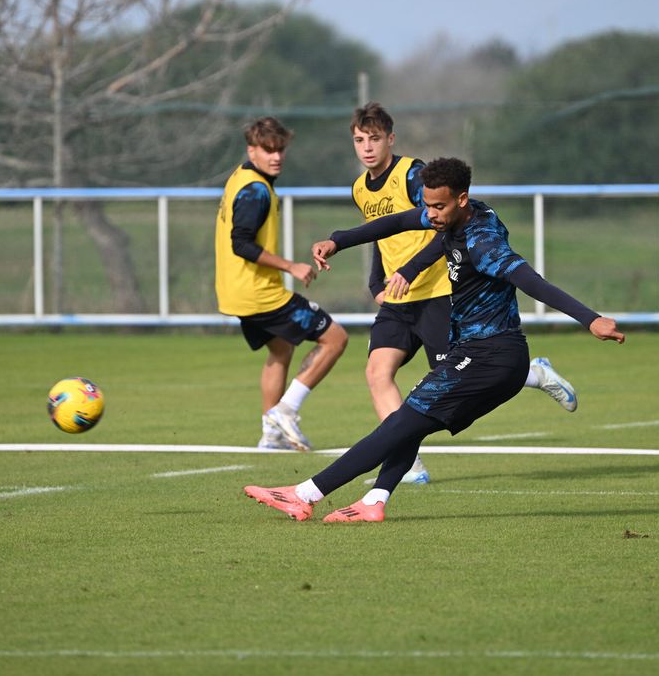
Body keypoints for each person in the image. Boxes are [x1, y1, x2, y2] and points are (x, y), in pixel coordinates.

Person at [243, 157, 625, 523]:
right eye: (429, 205)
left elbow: (530, 280)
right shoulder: (453, 215)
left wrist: (590, 319)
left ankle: (305, 494)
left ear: (461, 198)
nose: (432, 214)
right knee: (412, 423)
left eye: (439, 207)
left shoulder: (483, 242)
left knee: (400, 422)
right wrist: (338, 241)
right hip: (486, 355)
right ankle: (374, 501)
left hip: (490, 355)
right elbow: (398, 223)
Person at [348, 103, 580, 485]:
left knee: (451, 376)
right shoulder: (360, 188)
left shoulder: (412, 176)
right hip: (398, 299)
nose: (367, 148)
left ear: (390, 138)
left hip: (437, 291)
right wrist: (377, 282)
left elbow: (443, 232)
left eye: (374, 139)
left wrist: (411, 269)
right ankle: (410, 462)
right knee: (377, 372)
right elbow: (382, 232)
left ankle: (534, 373)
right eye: (359, 140)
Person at [215, 117, 349, 451]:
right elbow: (241, 243)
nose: (276, 157)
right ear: (252, 150)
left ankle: (271, 435)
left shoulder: (242, 175)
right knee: (335, 339)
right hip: (259, 293)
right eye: (268, 150)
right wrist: (291, 266)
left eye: (280, 150)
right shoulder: (255, 190)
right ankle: (285, 411)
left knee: (280, 348)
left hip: (236, 292)